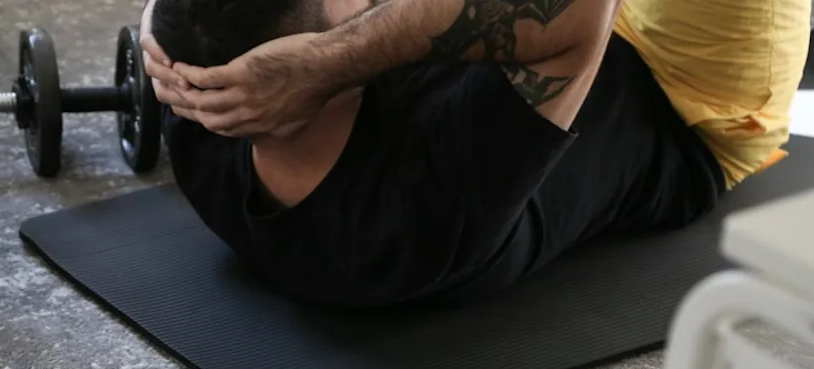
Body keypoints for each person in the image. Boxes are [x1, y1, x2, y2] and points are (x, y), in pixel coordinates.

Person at [136, 0, 811, 308]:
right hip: (678, 91)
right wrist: (329, 61)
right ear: (299, 69)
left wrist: (154, 24)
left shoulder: (203, 122)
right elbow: (577, 18)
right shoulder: (406, 222)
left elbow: (183, 19)